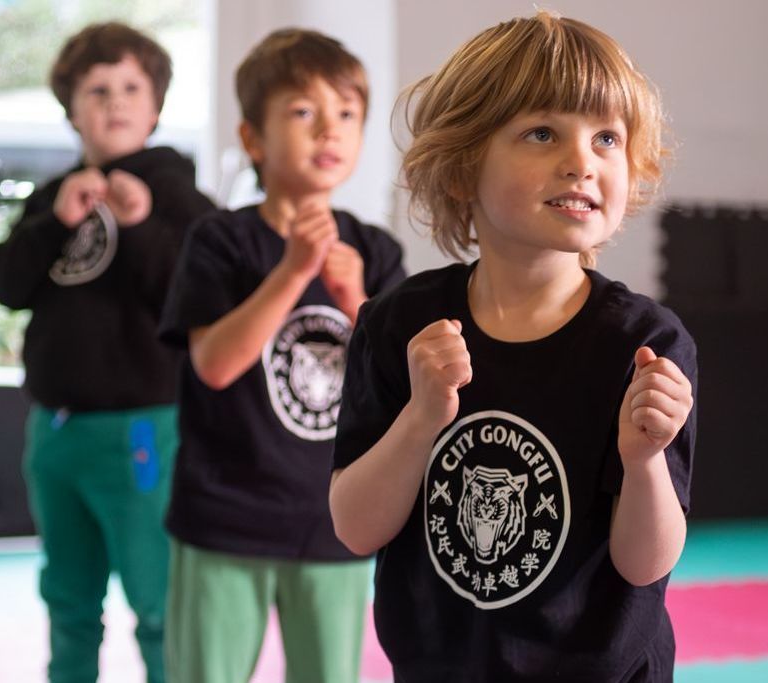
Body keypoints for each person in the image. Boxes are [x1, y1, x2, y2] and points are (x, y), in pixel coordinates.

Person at [329, 11, 697, 682]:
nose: (581, 162)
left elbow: (644, 564)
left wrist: (643, 458)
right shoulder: (399, 324)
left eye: (607, 138)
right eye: (542, 132)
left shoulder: (643, 343)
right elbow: (355, 527)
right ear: (463, 167)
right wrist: (420, 417)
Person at [157, 28, 406, 683]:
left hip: (335, 518)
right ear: (253, 139)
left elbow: (401, 382)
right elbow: (213, 365)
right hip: (224, 517)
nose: (329, 129)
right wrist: (293, 271)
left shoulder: (374, 251)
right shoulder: (220, 241)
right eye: (302, 111)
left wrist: (356, 302)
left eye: (346, 113)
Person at [0, 22, 214, 683]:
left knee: (158, 600)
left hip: (140, 431)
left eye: (131, 88)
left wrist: (138, 226)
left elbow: (200, 293)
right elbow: (5, 284)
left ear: (155, 107)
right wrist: (54, 221)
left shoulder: (175, 191)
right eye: (98, 89)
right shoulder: (54, 195)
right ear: (71, 110)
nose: (115, 101)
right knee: (67, 598)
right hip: (55, 431)